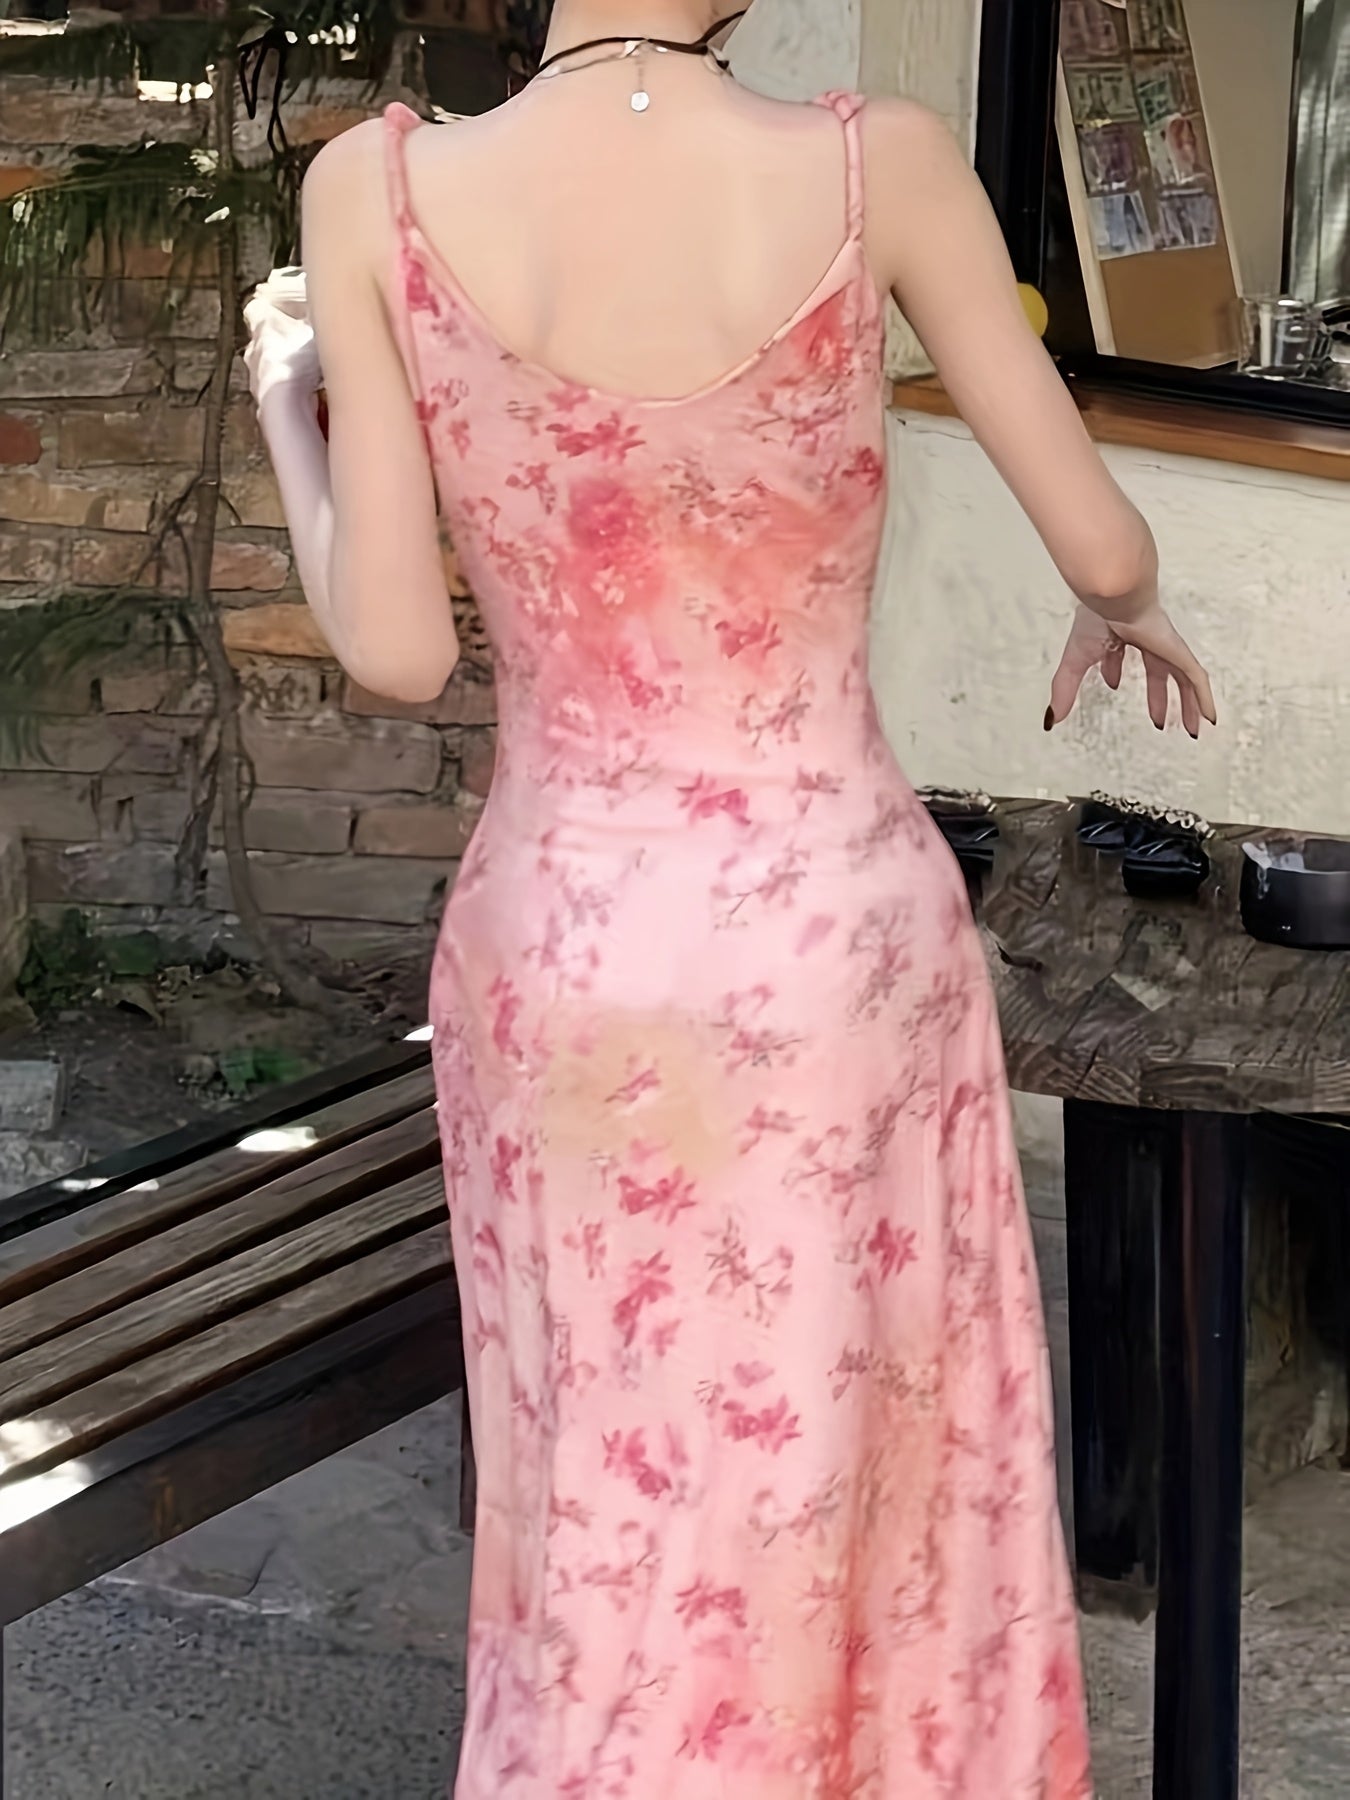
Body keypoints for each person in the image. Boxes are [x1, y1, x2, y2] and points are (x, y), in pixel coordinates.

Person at [245, 3, 1215, 1792]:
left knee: (606, 1500)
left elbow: (393, 649)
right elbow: (1097, 541)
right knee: (864, 1466)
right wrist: (1126, 602)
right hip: (829, 942)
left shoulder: (373, 193)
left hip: (566, 943)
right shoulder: (875, 165)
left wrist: (285, 421)